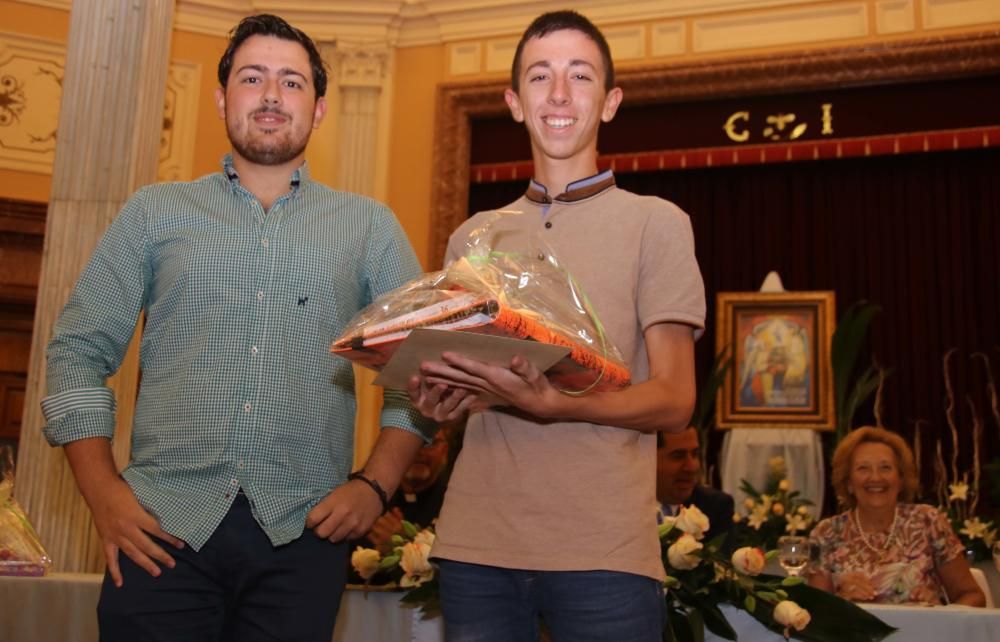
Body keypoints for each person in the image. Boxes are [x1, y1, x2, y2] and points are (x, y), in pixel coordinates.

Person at [40, 14, 431, 642]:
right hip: (160, 534)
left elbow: (421, 369)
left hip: (303, 539)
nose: (272, 96)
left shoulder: (370, 228)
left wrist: (375, 485)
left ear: (319, 107)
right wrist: (103, 493)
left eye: (292, 82)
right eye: (253, 79)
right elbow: (77, 352)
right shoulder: (154, 212)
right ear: (223, 98)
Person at [407, 10, 705, 641]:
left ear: (611, 101)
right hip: (476, 545)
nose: (561, 95)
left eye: (581, 75)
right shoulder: (474, 235)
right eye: (541, 77)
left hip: (604, 551)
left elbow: (676, 400)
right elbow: (459, 398)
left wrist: (557, 404)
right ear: (516, 103)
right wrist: (434, 398)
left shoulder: (657, 224)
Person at [807, 426, 985, 607]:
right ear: (848, 482)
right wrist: (841, 602)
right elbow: (813, 614)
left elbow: (973, 596)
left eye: (885, 467)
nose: (875, 477)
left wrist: (939, 614)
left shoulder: (927, 521)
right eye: (863, 468)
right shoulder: (826, 533)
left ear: (901, 480)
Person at [363, 423, 455, 554]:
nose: (419, 452)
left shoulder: (454, 503)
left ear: (444, 450)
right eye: (408, 445)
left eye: (429, 444)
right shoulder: (373, 500)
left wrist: (401, 542)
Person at [657, 427, 734, 546]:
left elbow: (720, 563)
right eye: (678, 456)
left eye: (695, 454)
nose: (691, 467)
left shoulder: (714, 507)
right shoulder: (624, 508)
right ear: (648, 458)